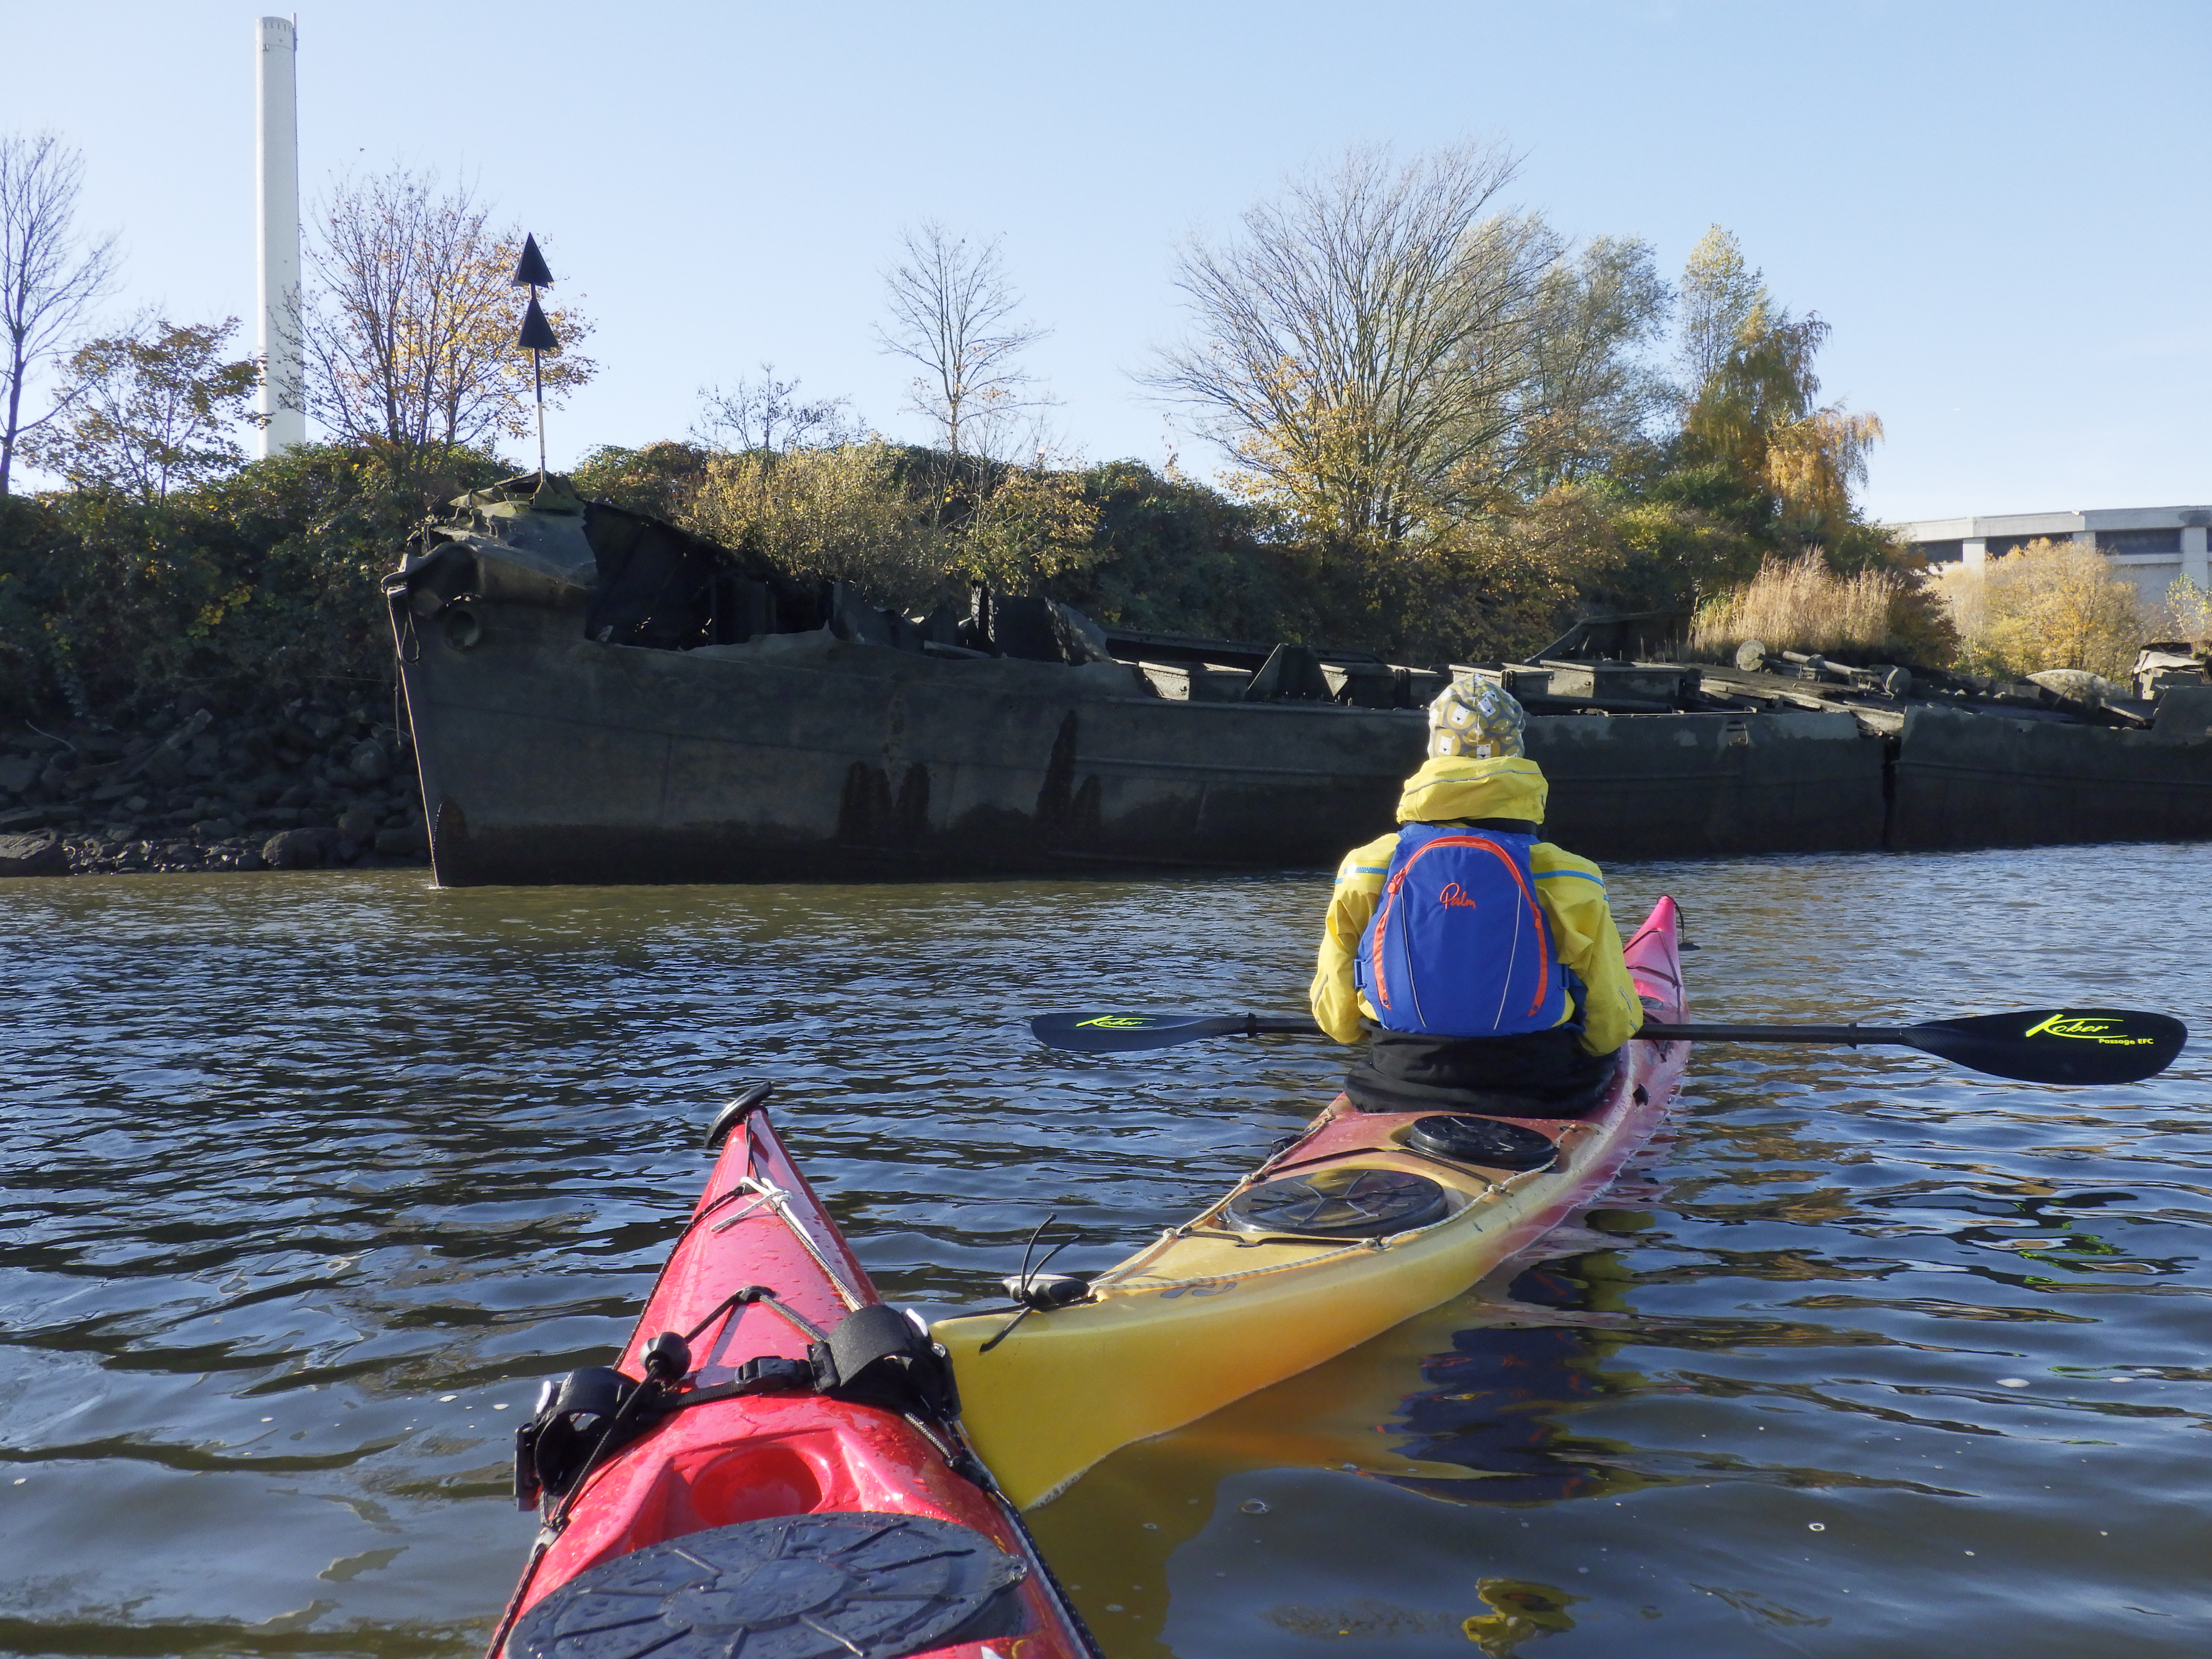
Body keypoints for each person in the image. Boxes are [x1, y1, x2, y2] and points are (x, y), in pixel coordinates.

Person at [1309, 674, 1643, 1114]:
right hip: (1535, 1085)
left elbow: (1337, 1021)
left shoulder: (1367, 866)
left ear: (1435, 751)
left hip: (1401, 1079)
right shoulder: (1571, 874)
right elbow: (1610, 1026)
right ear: (1515, 753)